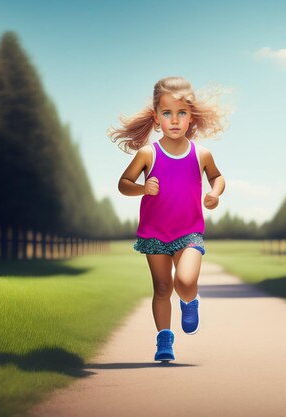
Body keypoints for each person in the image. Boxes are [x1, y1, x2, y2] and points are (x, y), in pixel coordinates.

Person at [108, 76, 229, 362]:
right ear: (156, 117)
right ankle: (164, 340)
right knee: (162, 287)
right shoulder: (148, 154)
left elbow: (218, 177)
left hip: (189, 232)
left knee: (184, 281)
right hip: (154, 234)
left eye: (181, 113)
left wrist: (215, 193)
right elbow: (123, 183)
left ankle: (190, 300)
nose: (174, 120)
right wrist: (142, 188)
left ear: (191, 117)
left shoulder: (202, 154)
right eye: (167, 113)